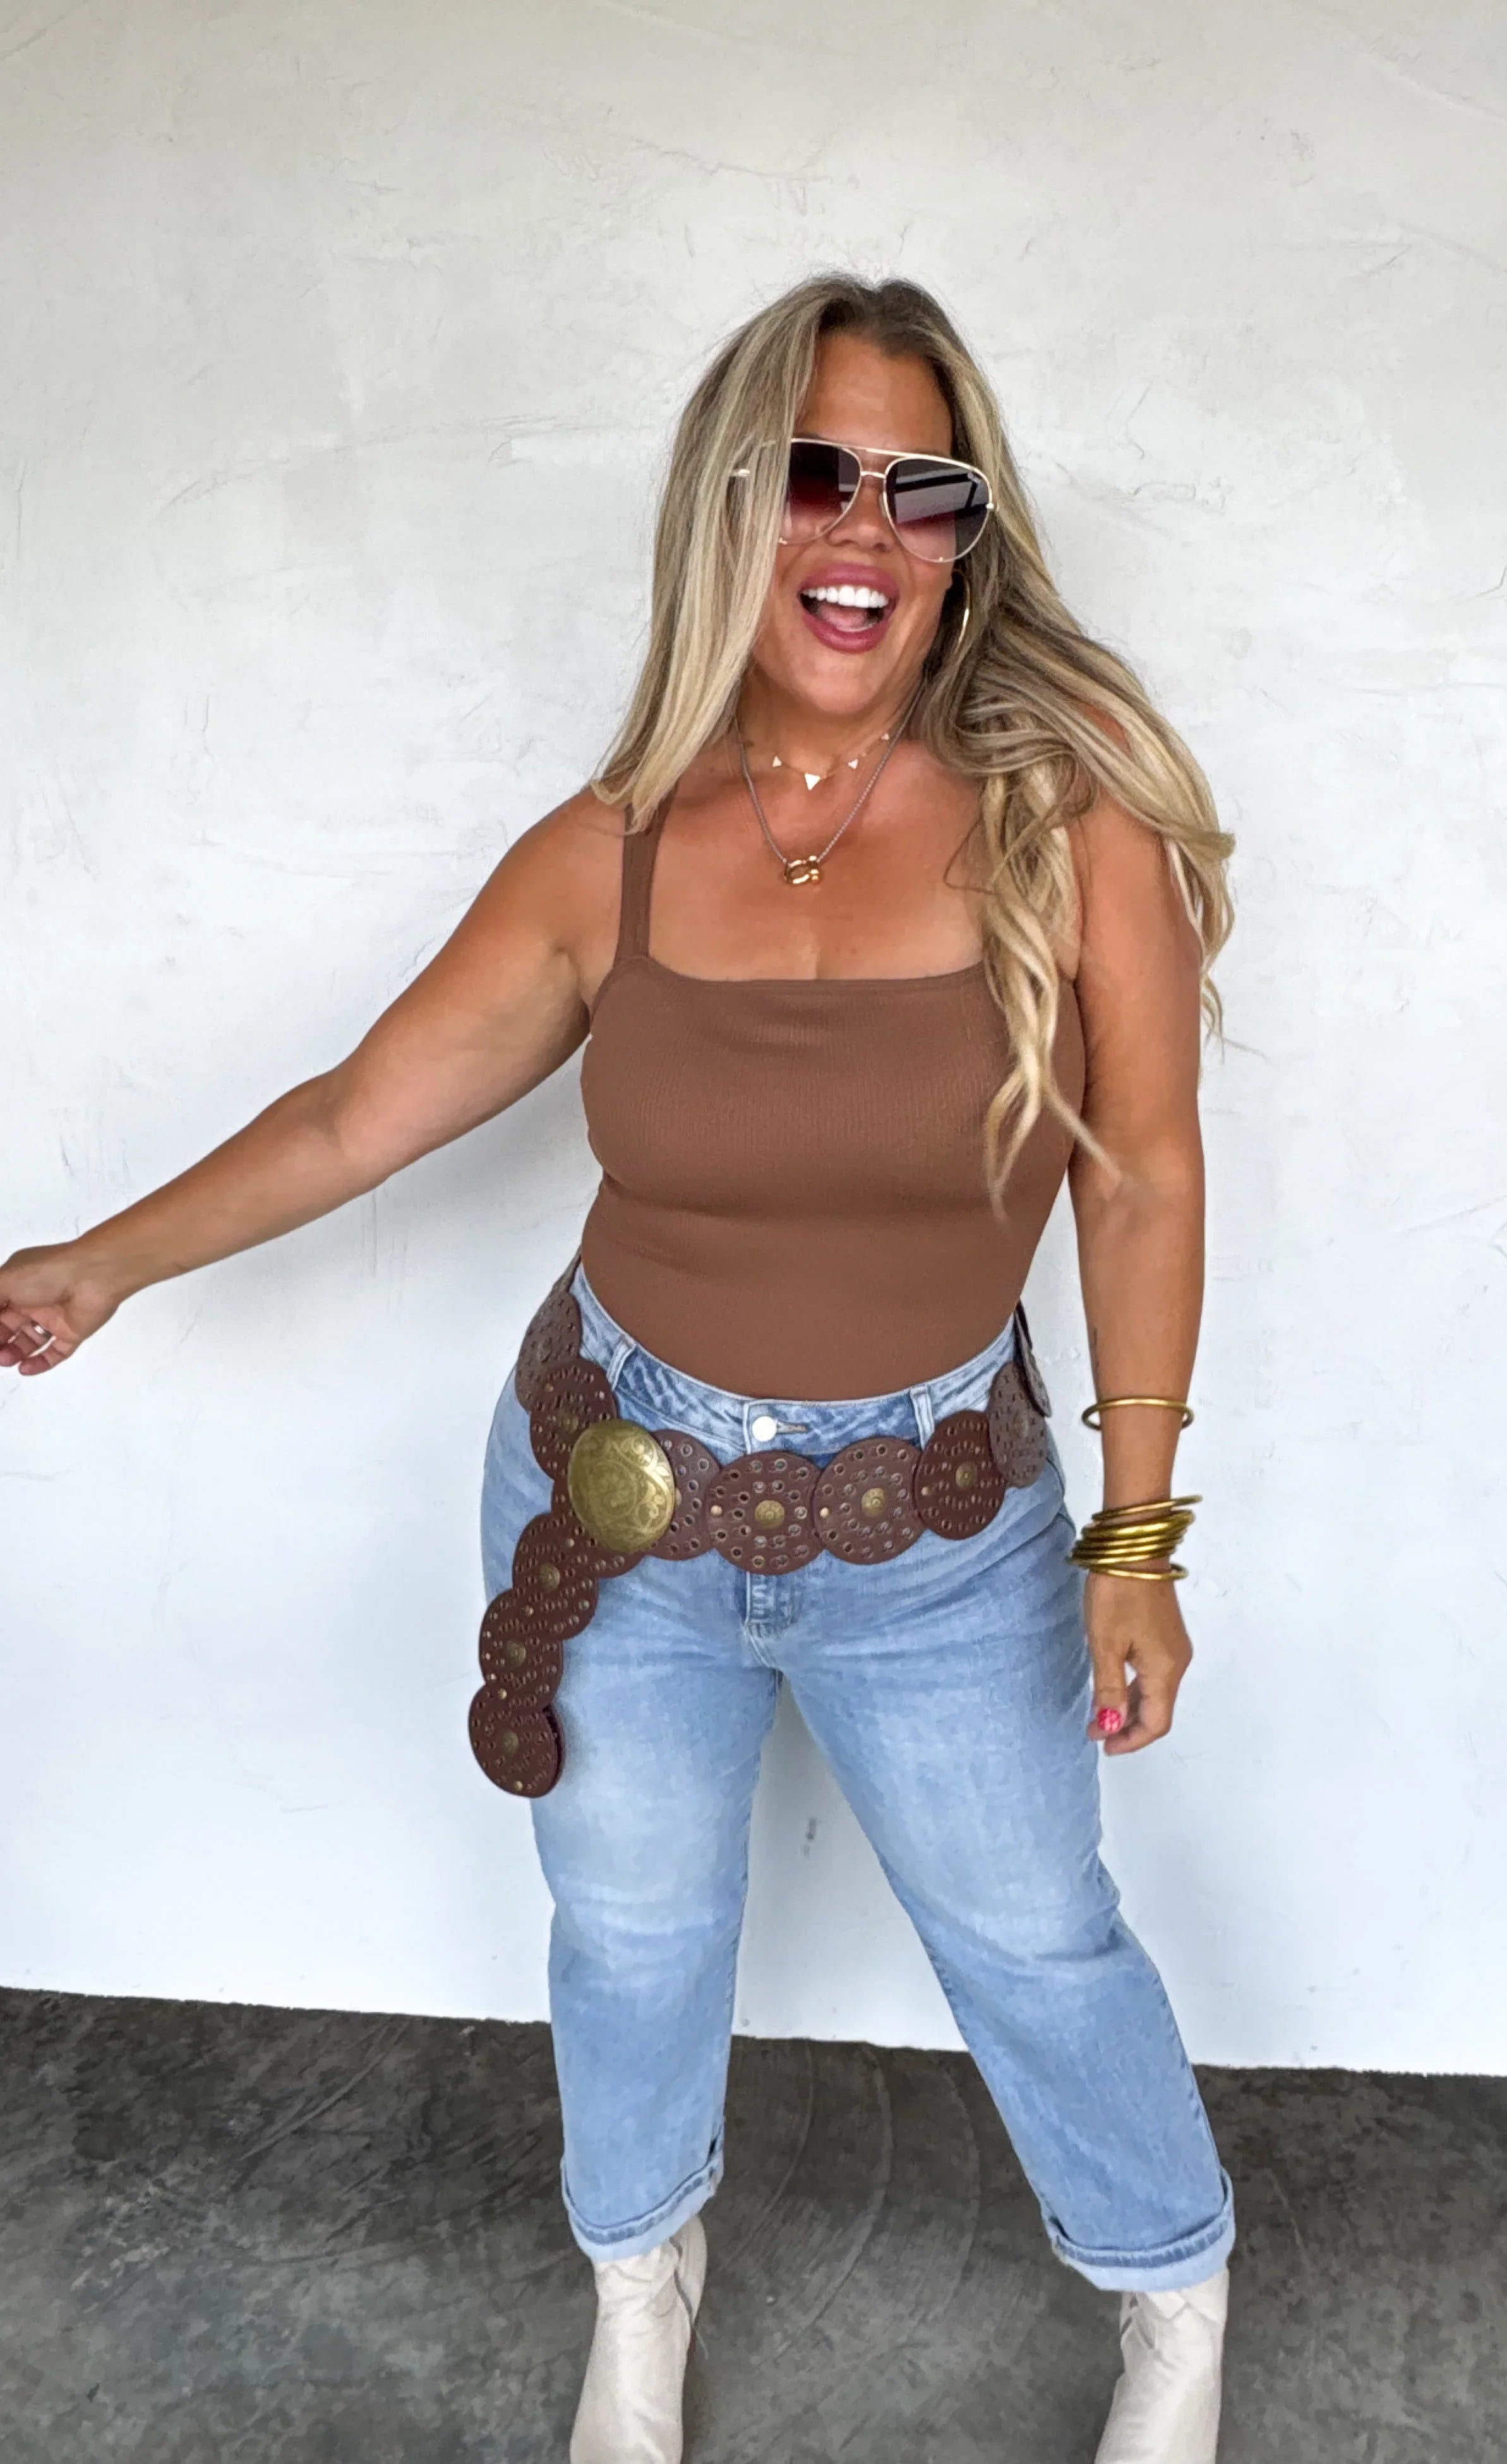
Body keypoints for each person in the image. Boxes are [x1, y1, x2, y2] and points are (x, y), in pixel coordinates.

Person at [3, 272, 1237, 2463]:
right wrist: (107, 1262)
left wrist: (1136, 1541)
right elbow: (355, 1115)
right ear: (730, 504)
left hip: (942, 1527)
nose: (863, 530)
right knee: (633, 1933)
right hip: (614, 1501)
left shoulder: (1071, 830)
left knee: (1036, 1935)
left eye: (921, 488)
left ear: (968, 538)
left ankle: (1174, 2295)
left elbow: (1138, 1174)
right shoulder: (611, 852)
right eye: (816, 473)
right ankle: (640, 2287)